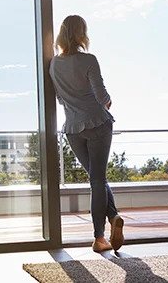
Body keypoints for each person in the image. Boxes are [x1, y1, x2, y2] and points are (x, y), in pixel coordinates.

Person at [49, 15, 124, 253]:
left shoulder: (53, 65)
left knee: (96, 178)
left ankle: (112, 219)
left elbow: (60, 98)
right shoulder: (89, 59)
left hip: (72, 128)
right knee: (98, 180)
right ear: (82, 34)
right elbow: (102, 95)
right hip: (98, 123)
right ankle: (99, 237)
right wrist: (109, 102)